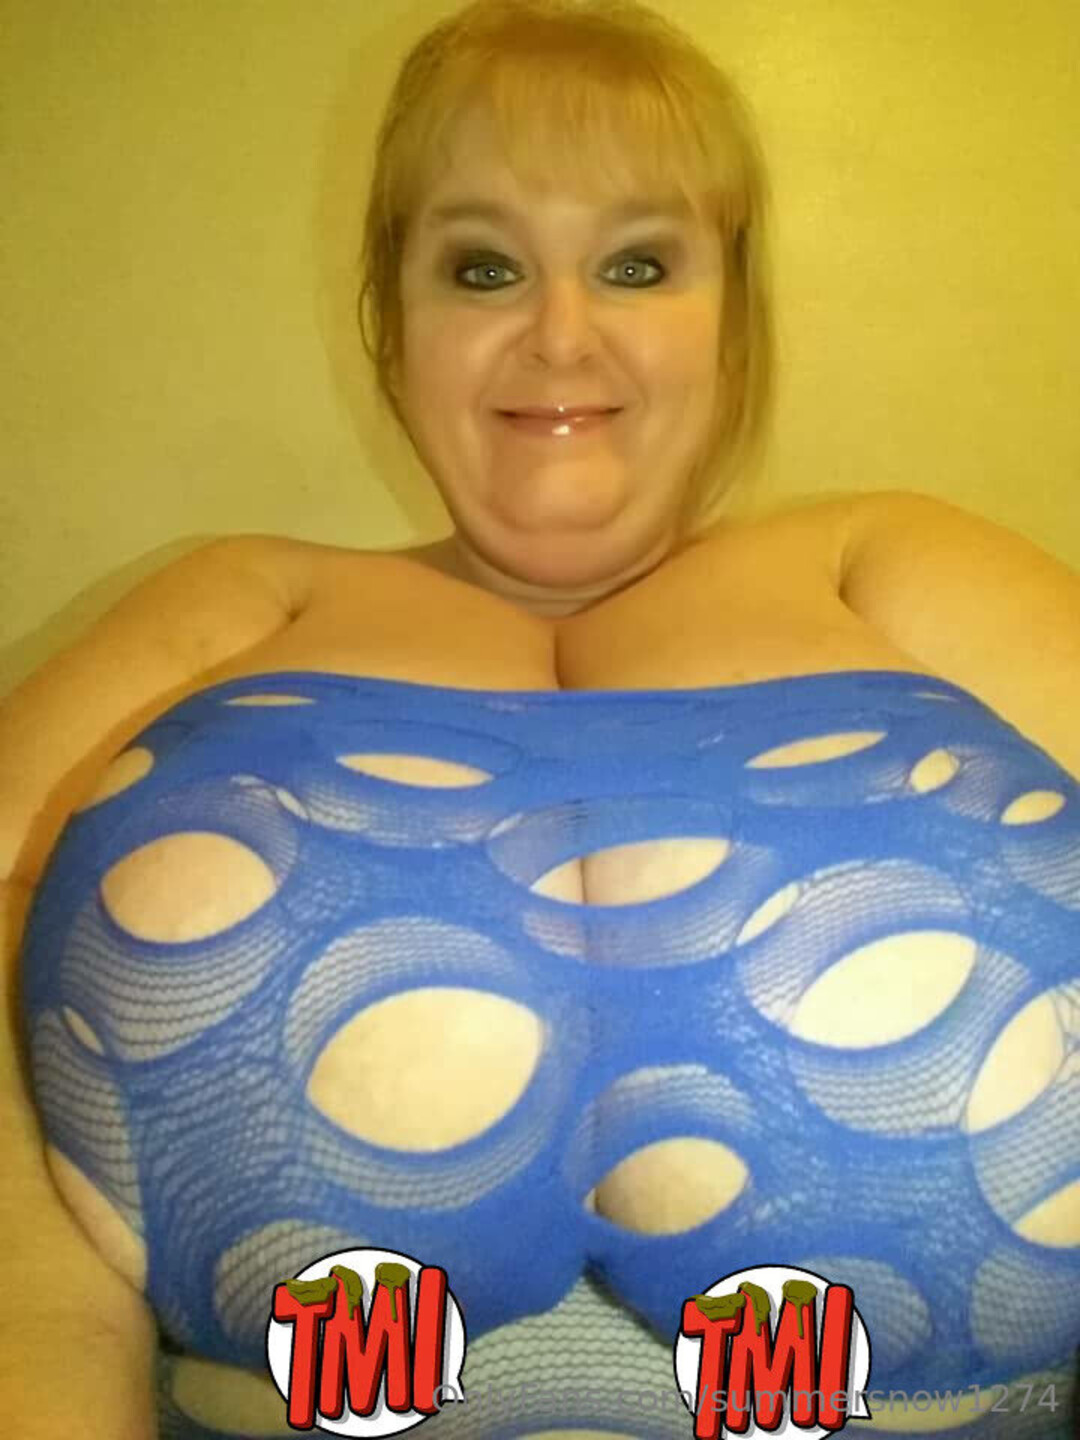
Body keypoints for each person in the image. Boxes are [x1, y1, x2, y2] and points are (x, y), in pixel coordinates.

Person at [2, 1, 1078, 1435]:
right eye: (484, 267)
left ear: (733, 320)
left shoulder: (887, 564)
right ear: (394, 324)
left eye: (637, 264)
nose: (561, 336)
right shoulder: (244, 598)